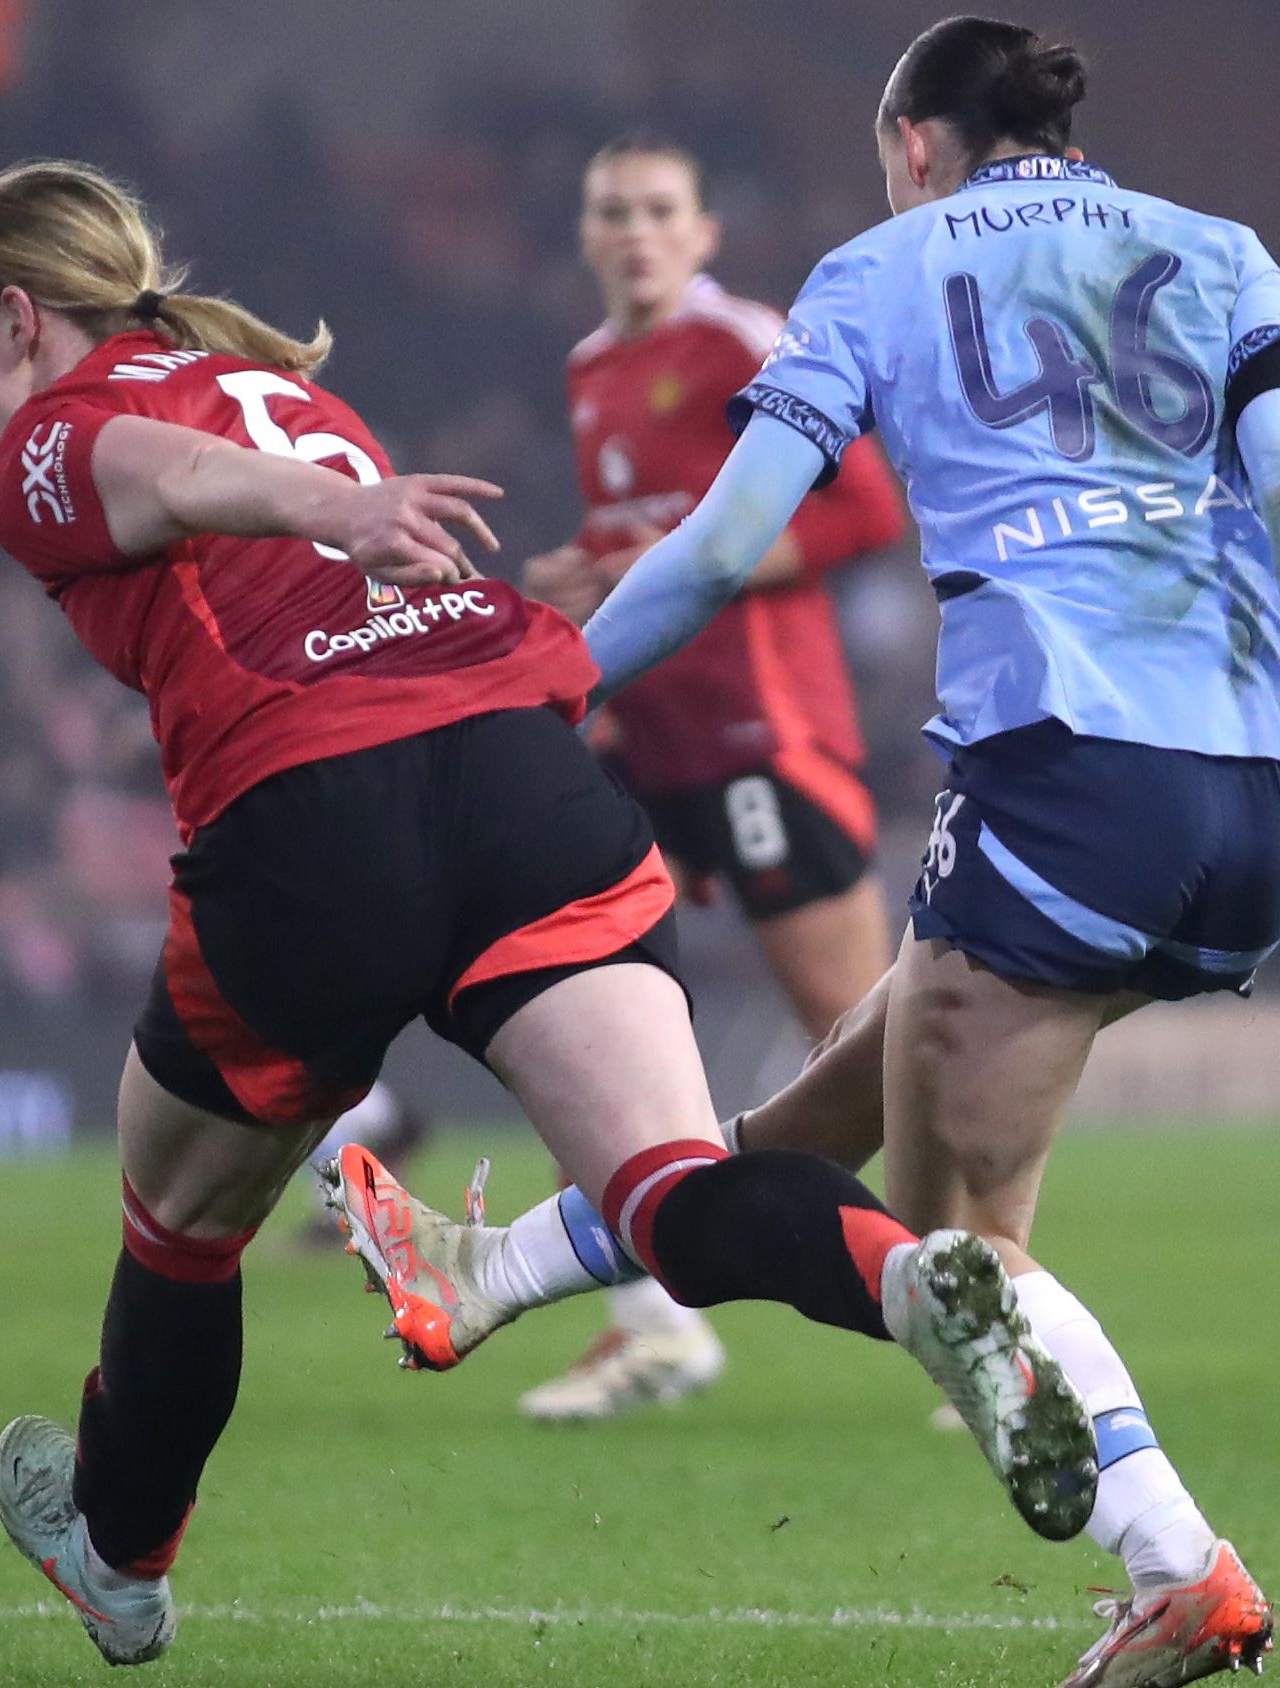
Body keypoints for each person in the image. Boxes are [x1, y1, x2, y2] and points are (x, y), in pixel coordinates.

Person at [343, 21, 1280, 1687]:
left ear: (912, 140)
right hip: (1256, 802)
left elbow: (722, 548)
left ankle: (1179, 1571)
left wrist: (537, 688)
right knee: (799, 1132)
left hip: (1068, 775)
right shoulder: (1221, 252)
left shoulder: (875, 269)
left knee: (945, 1263)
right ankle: (483, 1273)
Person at [0, 158, 1094, 1670]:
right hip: (520, 770)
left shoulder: (46, 438)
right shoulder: (255, 375)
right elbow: (205, 466)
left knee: (183, 1219)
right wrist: (344, 497)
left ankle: (121, 1555)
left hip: (315, 816)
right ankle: (913, 1286)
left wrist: (330, 510)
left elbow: (160, 473)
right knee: (666, 1183)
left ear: (19, 319)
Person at [511, 131, 910, 1423]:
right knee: (590, 1016)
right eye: (609, 209)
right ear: (582, 232)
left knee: (869, 1040)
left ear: (701, 234)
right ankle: (656, 1323)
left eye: (657, 210)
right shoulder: (589, 371)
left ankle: (994, 1299)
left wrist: (694, 560)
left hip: (763, 736)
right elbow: (632, 537)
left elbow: (861, 512)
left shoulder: (741, 342)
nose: (633, 231)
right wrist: (582, 579)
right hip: (648, 745)